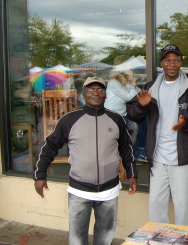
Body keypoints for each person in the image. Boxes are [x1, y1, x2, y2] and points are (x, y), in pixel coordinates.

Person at [33, 76, 138, 245]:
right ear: (83, 94)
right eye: (90, 90)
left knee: (104, 237)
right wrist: (40, 175)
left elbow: (126, 148)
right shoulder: (69, 120)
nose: (95, 94)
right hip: (79, 191)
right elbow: (50, 147)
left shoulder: (116, 119)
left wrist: (132, 174)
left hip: (109, 191)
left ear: (105, 94)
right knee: (77, 239)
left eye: (100, 90)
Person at [126, 44, 188, 225]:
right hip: (158, 157)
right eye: (168, 60)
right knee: (156, 206)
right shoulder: (150, 87)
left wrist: (186, 122)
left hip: (183, 156)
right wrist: (141, 105)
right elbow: (133, 115)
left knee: (182, 208)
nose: (172, 64)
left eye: (176, 60)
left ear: (181, 63)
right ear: (162, 63)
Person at [104, 71, 147, 163]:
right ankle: (128, 157)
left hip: (122, 113)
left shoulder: (124, 83)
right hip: (113, 114)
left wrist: (133, 86)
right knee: (122, 136)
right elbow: (130, 97)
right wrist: (132, 85)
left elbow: (139, 93)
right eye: (130, 70)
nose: (131, 72)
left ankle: (133, 155)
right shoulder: (114, 83)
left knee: (135, 129)